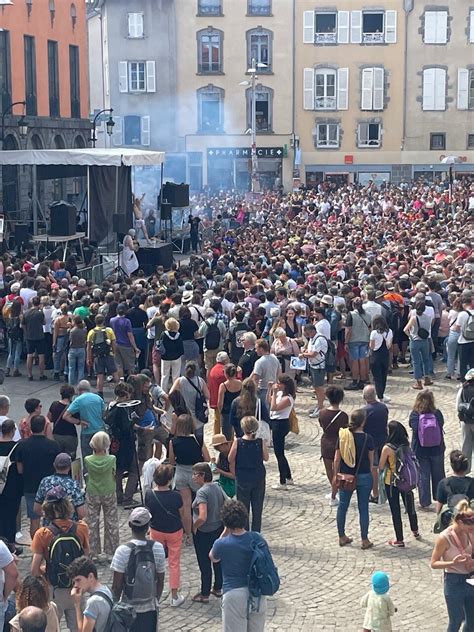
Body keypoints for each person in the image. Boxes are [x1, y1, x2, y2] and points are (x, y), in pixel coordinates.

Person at [31, 487, 90, 632]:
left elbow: (34, 570)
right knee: (78, 628)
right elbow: (86, 559)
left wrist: (46, 572)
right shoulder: (81, 529)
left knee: (50, 628)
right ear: (67, 506)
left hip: (54, 590)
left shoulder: (42, 534)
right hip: (77, 588)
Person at [210, 500, 270, 632]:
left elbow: (213, 557)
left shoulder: (222, 544)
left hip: (234, 594)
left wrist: (225, 532)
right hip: (257, 593)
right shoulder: (258, 538)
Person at [110, 507, 165, 632]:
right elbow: (160, 581)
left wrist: (115, 607)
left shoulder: (122, 551)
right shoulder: (158, 548)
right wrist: (155, 599)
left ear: (130, 525)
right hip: (150, 609)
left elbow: (117, 586)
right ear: (148, 526)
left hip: (127, 610)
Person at [430, 500, 474, 632]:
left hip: (470, 579)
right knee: (456, 621)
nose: (472, 530)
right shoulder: (444, 538)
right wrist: (452, 563)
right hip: (453, 581)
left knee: (472, 621)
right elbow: (433, 563)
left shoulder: (470, 533)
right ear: (460, 523)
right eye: (470, 528)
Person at [145, 464, 185, 608]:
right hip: (174, 531)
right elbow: (182, 514)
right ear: (170, 480)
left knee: (155, 563)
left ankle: (154, 596)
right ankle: (174, 596)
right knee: (174, 563)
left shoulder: (149, 494)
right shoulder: (176, 496)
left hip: (156, 530)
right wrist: (187, 530)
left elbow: (149, 514)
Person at [333, 409, 374, 549]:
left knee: (342, 506)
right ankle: (364, 539)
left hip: (346, 476)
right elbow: (371, 460)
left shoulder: (343, 437)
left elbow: (336, 459)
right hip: (364, 475)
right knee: (363, 508)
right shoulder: (368, 438)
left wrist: (335, 474)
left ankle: (341, 536)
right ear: (363, 422)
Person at [16, 415, 60, 538]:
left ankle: (36, 547)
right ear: (45, 427)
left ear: (30, 427)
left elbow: (20, 469)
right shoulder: (53, 445)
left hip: (30, 485)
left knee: (34, 520)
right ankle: (51, 544)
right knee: (52, 517)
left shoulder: (22, 445)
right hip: (50, 487)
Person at [168, 414, 210, 539]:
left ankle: (188, 534)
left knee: (186, 506)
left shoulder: (173, 442)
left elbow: (171, 462)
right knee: (201, 501)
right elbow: (207, 458)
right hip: (197, 473)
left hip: (181, 473)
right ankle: (202, 529)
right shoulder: (198, 438)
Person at [379, 420, 420, 547]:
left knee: (395, 510)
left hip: (391, 483)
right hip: (406, 481)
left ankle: (399, 539)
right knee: (410, 506)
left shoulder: (387, 448)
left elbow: (380, 466)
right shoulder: (406, 446)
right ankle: (415, 530)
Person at [190, 462, 225, 604]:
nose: (193, 477)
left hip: (204, 532)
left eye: (195, 474)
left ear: (202, 475)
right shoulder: (217, 486)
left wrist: (194, 527)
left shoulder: (202, 492)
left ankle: (204, 594)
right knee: (217, 559)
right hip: (218, 528)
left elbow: (202, 516)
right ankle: (218, 588)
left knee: (204, 563)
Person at [229, 415, 269, 533]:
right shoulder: (260, 442)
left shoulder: (238, 442)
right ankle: (256, 533)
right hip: (258, 477)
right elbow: (266, 458)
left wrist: (234, 470)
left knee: (243, 508)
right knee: (257, 508)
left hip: (242, 477)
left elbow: (230, 458)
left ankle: (244, 532)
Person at [84, 431, 119, 561]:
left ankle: (93, 551)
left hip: (93, 491)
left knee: (92, 522)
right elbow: (114, 473)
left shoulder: (88, 460)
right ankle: (112, 550)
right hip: (109, 490)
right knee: (111, 521)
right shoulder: (112, 459)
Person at [409, 390, 445, 508]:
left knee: (423, 475)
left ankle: (425, 502)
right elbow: (441, 424)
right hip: (437, 449)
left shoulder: (415, 414)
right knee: (438, 474)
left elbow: (413, 428)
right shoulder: (437, 413)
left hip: (420, 450)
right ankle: (440, 498)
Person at [105, 382, 139, 508]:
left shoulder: (112, 406)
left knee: (118, 471)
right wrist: (133, 422)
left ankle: (118, 496)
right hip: (126, 443)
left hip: (116, 443)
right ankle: (127, 498)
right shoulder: (123, 408)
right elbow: (126, 427)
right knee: (134, 470)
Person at [33, 453, 86, 523]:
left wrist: (48, 517)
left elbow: (36, 509)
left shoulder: (45, 481)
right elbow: (81, 513)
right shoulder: (73, 484)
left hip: (50, 529)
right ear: (69, 467)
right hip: (69, 528)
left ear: (54, 465)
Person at [318, 385, 348, 506]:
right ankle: (338, 490)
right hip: (339, 443)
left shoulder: (322, 413)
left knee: (329, 469)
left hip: (326, 442)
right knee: (339, 469)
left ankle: (333, 490)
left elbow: (321, 425)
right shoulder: (343, 415)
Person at [63, 381, 105, 464]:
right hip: (100, 430)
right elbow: (104, 414)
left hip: (87, 431)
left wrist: (78, 422)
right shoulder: (98, 398)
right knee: (101, 456)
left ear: (79, 390)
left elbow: (65, 416)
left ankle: (88, 475)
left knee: (87, 458)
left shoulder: (78, 400)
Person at [68, 557, 114, 632]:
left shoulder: (93, 602)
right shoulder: (106, 590)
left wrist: (77, 604)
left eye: (78, 580)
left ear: (91, 577)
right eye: (74, 582)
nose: (75, 585)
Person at [169, 360, 209, 444]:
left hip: (185, 415)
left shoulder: (180, 381)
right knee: (199, 441)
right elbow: (208, 396)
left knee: (185, 440)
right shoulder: (200, 381)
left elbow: (170, 394)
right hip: (198, 416)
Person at [362, 385, 389, 504]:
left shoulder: (364, 411)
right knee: (384, 467)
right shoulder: (383, 407)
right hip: (383, 439)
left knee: (373, 469)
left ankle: (375, 494)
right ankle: (385, 492)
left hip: (370, 443)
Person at [269, 374, 296, 490]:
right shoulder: (280, 394)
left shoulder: (288, 399)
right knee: (280, 453)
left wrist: (274, 393)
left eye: (279, 383)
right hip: (275, 422)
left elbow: (274, 407)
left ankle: (282, 481)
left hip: (281, 424)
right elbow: (270, 402)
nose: (277, 384)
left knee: (279, 453)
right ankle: (288, 477)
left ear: (284, 385)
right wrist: (270, 390)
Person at [0, 419, 23, 548]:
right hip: (11, 487)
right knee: (11, 515)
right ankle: (11, 544)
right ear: (13, 431)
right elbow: (20, 469)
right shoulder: (17, 447)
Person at [404, 298, 434, 390]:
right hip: (425, 341)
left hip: (415, 341)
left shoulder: (414, 318)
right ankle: (427, 378)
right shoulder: (428, 317)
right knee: (426, 360)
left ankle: (418, 382)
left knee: (416, 362)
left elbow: (405, 330)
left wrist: (411, 336)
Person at [86, 315, 118, 397]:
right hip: (108, 354)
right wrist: (114, 353)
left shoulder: (91, 332)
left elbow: (89, 347)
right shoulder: (109, 330)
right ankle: (119, 390)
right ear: (104, 321)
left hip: (98, 356)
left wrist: (89, 358)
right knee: (114, 373)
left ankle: (100, 393)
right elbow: (113, 343)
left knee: (100, 375)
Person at [344, 298, 371, 391]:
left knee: (355, 361)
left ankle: (355, 381)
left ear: (353, 305)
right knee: (362, 360)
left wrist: (346, 342)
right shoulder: (367, 315)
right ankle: (362, 380)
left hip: (354, 340)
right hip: (365, 339)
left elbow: (348, 330)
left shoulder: (351, 314)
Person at [436, 450, 474, 515]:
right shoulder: (472, 483)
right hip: (469, 520)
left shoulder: (443, 483)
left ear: (452, 466)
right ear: (466, 466)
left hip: (450, 520)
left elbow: (439, 508)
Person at [302, 322, 327, 417]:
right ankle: (319, 405)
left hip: (319, 366)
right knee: (316, 387)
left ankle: (321, 408)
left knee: (319, 387)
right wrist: (305, 351)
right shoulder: (313, 338)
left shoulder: (319, 339)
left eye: (308, 334)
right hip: (313, 365)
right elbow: (310, 350)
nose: (307, 336)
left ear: (313, 331)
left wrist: (303, 355)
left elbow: (313, 354)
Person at [47, 385, 79, 458]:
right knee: (71, 458)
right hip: (70, 435)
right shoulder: (73, 407)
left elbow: (49, 418)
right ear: (71, 395)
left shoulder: (54, 404)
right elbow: (77, 422)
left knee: (57, 458)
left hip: (57, 435)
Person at [110, 303, 140, 379]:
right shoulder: (127, 321)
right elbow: (130, 335)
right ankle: (131, 381)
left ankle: (121, 381)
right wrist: (135, 347)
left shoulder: (112, 320)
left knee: (119, 365)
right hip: (126, 345)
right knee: (130, 365)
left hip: (115, 344)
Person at [369, 315, 393, 402]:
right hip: (385, 355)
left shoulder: (374, 333)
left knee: (377, 377)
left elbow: (371, 346)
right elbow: (389, 345)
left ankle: (379, 396)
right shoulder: (389, 331)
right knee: (383, 376)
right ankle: (381, 394)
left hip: (375, 356)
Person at [23, 296, 47, 382]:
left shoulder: (26, 313)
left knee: (29, 355)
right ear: (39, 303)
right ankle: (41, 374)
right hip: (39, 336)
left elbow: (23, 325)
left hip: (29, 336)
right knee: (41, 355)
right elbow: (44, 322)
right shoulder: (40, 313)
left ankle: (29, 374)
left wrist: (26, 332)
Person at [217, 364, 242, 440]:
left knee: (227, 436)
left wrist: (220, 411)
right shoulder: (240, 383)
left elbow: (220, 402)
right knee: (239, 434)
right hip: (238, 411)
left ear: (226, 373)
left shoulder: (223, 386)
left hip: (226, 412)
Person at [159, 317, 184, 392]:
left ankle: (163, 393)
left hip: (165, 358)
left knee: (164, 376)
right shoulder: (178, 335)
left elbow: (160, 345)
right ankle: (175, 393)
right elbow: (181, 348)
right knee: (175, 377)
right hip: (176, 358)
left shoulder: (163, 334)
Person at [456, 368, 474, 472]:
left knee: (466, 446)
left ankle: (465, 470)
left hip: (466, 422)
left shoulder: (463, 388)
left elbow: (458, 405)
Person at [251, 339, 280, 403]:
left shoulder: (259, 362)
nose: (255, 351)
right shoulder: (275, 358)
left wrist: (253, 392)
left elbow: (256, 379)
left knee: (263, 410)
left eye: (256, 348)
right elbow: (279, 373)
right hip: (273, 388)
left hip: (262, 389)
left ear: (261, 349)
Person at [454, 294, 474, 381]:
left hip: (463, 341)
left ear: (464, 304)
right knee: (472, 363)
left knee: (463, 363)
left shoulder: (462, 314)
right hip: (473, 341)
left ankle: (464, 382)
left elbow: (456, 328)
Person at [67, 317, 87, 386]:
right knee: (81, 367)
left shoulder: (72, 331)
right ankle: (80, 384)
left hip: (72, 349)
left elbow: (69, 339)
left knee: (71, 368)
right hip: (81, 348)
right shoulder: (84, 330)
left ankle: (71, 384)